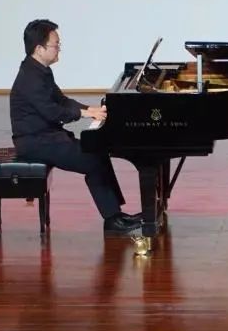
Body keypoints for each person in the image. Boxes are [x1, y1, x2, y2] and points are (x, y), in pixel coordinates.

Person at [10, 19, 141, 235]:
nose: (59, 49)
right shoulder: (30, 78)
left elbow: (61, 100)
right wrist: (84, 113)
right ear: (39, 49)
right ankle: (112, 220)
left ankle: (116, 215)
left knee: (98, 151)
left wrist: (89, 109)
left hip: (47, 137)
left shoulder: (39, 70)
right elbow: (53, 112)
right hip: (36, 143)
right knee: (93, 159)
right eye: (56, 45)